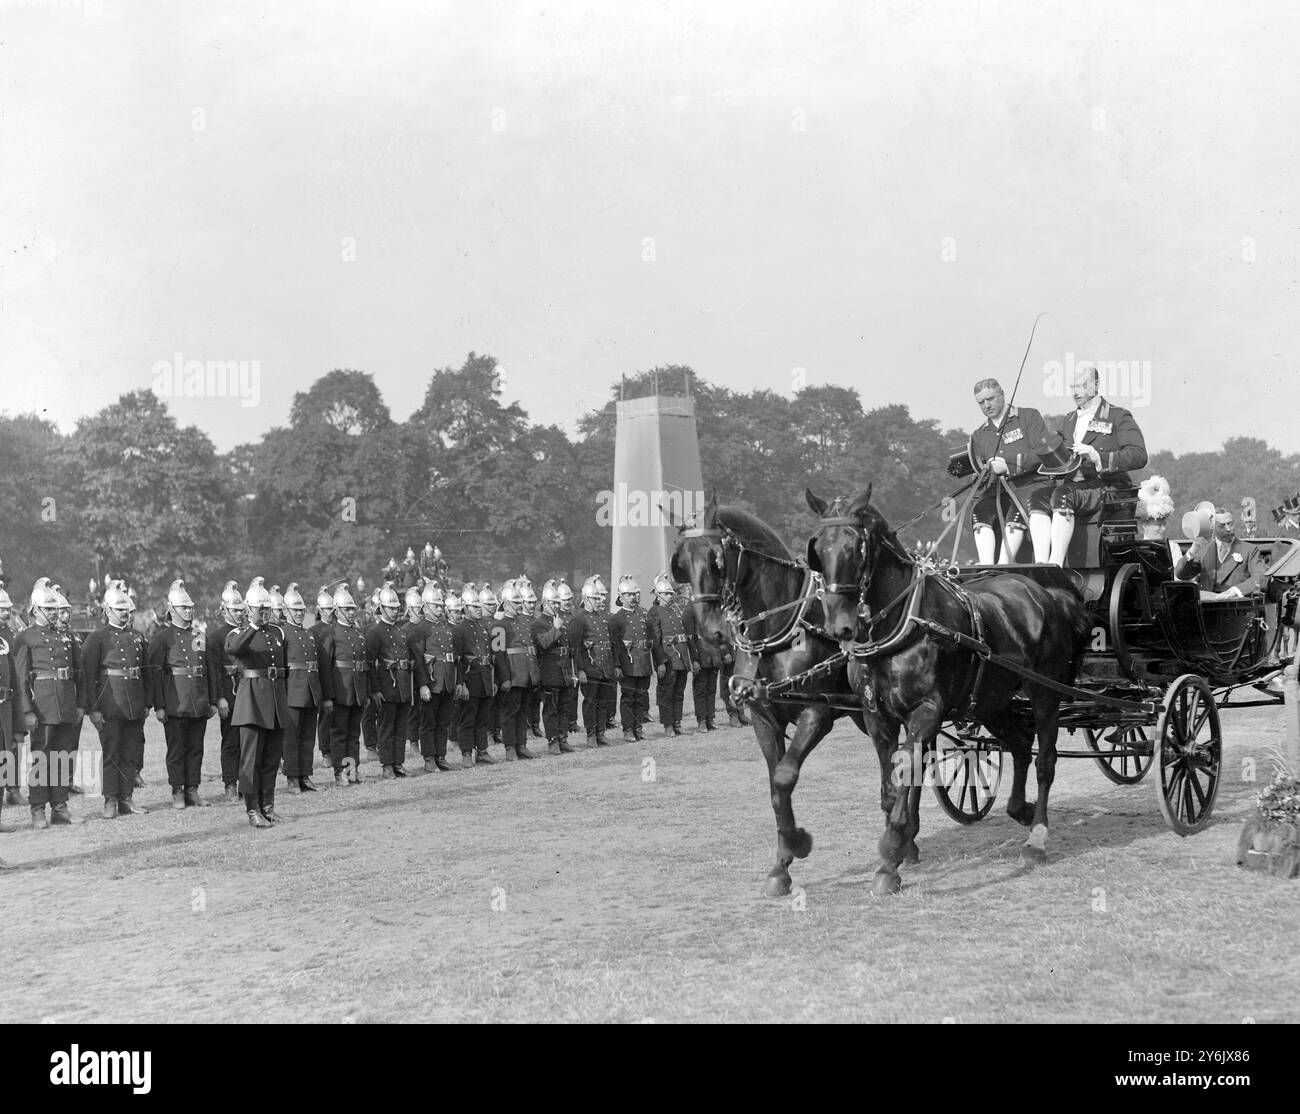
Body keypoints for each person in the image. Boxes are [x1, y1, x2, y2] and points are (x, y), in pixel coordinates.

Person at [1042, 363, 1149, 567]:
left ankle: (1054, 564)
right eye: (1072, 387)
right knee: (1038, 498)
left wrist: (1098, 456)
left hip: (1109, 489)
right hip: (1075, 488)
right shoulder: (1068, 420)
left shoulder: (1118, 415)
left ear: (1096, 385)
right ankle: (1041, 564)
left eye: (1081, 386)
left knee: (1063, 495)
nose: (1075, 392)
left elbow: (1139, 454)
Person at [14, 579, 83, 828]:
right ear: (35, 610)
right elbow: (21, 678)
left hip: (66, 704)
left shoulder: (66, 636)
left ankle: (60, 807)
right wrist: (26, 711)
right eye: (49, 609)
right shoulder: (25, 638)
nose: (55, 613)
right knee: (41, 759)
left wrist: (79, 704)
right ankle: (37, 809)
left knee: (62, 757)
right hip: (41, 708)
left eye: (56, 609)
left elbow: (79, 672)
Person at [79, 580, 151, 818]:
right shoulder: (96, 638)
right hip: (109, 706)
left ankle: (126, 799)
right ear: (108, 610)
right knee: (111, 754)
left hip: (134, 706)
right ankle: (110, 800)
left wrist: (146, 704)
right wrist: (93, 709)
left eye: (127, 610)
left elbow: (146, 672)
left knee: (130, 753)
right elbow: (89, 676)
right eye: (120, 610)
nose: (125, 614)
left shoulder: (139, 637)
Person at [226, 577, 289, 827]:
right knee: (250, 760)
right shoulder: (238, 633)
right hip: (251, 702)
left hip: (274, 700)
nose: (264, 613)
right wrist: (252, 625)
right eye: (259, 609)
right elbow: (236, 650)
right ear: (249, 610)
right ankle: (252, 809)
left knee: (271, 758)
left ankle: (268, 806)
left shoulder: (277, 633)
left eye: (267, 609)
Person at [966, 378, 1052, 564]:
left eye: (990, 399)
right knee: (979, 511)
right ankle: (986, 566)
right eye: (981, 402)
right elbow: (975, 470)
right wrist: (980, 475)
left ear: (1002, 394)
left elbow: (1043, 452)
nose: (986, 405)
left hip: (1032, 487)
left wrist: (1008, 465)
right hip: (999, 492)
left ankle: (1005, 566)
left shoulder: (1028, 416)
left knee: (1016, 512)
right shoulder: (979, 435)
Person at [149, 580, 213, 811]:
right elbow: (156, 674)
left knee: (196, 748)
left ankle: (192, 789)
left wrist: (211, 700)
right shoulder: (162, 638)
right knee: (176, 750)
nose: (188, 611)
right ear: (172, 610)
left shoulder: (198, 636)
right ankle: (177, 790)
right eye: (184, 608)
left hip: (198, 701)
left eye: (190, 607)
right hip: (174, 703)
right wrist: (159, 705)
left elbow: (207, 670)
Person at [365, 585, 422, 778]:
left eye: (396, 607)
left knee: (401, 727)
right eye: (390, 608)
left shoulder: (402, 632)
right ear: (381, 608)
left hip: (403, 685)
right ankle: (387, 765)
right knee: (386, 727)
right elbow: (370, 664)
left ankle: (398, 763)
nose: (394, 611)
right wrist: (375, 690)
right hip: (386, 686)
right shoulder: (375, 632)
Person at [281, 583, 332, 793]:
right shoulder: (281, 634)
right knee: (291, 737)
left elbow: (323, 667)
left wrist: (326, 695)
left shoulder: (311, 634)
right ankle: (292, 777)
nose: (300, 614)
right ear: (285, 611)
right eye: (295, 610)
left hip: (312, 691)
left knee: (308, 737)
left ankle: (305, 775)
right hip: (292, 692)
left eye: (302, 610)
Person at [323, 583, 369, 786]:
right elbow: (326, 668)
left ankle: (352, 769)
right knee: (339, 734)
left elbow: (364, 665)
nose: (351, 613)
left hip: (357, 691)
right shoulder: (331, 634)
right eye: (347, 609)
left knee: (353, 734)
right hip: (340, 692)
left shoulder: (358, 633)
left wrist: (366, 692)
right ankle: (340, 772)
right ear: (337, 611)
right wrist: (329, 696)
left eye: (353, 609)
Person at [407, 582, 456, 772]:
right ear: (426, 606)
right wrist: (423, 685)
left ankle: (440, 756)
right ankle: (429, 758)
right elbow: (418, 661)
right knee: (428, 722)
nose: (440, 608)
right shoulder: (419, 630)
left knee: (443, 722)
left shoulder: (445, 628)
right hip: (432, 683)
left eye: (441, 605)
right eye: (436, 605)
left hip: (447, 682)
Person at [206, 581, 246, 803]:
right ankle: (230, 784)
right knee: (231, 743)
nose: (239, 615)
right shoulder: (215, 637)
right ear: (224, 610)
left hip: (250, 696)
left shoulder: (249, 632)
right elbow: (213, 672)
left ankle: (246, 783)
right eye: (235, 610)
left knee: (248, 743)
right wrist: (219, 697)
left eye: (242, 611)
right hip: (229, 697)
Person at [1176, 507, 1269, 601]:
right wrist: (1193, 550)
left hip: (1238, 609)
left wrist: (1236, 591)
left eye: (1230, 524)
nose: (1229, 529)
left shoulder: (1250, 550)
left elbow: (1260, 575)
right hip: (1208, 609)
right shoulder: (1203, 552)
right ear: (1212, 528)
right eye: (1222, 526)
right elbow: (1182, 575)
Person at [493, 580, 541, 760]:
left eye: (521, 602)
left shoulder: (524, 623)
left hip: (526, 674)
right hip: (512, 675)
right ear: (505, 604)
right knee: (509, 712)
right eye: (516, 603)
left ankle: (522, 745)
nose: (520, 606)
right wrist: (504, 678)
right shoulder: (499, 625)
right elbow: (498, 654)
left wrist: (534, 674)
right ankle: (510, 747)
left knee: (523, 712)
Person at [648, 573, 699, 736]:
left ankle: (677, 722)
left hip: (681, 658)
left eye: (671, 593)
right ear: (658, 595)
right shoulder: (655, 611)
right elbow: (655, 640)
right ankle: (668, 724)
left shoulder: (675, 611)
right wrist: (660, 662)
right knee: (666, 693)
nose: (669, 596)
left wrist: (689, 659)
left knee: (679, 692)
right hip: (667, 657)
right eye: (666, 593)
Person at [452, 584, 497, 767]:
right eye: (475, 607)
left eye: (480, 607)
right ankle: (466, 753)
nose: (479, 610)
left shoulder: (483, 627)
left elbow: (489, 656)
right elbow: (458, 660)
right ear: (465, 607)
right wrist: (460, 683)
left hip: (485, 677)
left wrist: (494, 680)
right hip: (470, 679)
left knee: (483, 718)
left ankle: (483, 751)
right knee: (468, 718)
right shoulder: (458, 630)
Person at [569, 576, 617, 747]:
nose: (599, 601)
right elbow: (575, 649)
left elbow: (611, 644)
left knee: (604, 702)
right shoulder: (579, 620)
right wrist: (580, 670)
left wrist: (615, 666)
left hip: (605, 668)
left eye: (600, 598)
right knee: (590, 702)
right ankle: (591, 734)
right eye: (596, 598)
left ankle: (601, 733)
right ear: (587, 599)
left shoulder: (604, 619)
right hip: (590, 669)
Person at [533, 578, 579, 755]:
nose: (557, 605)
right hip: (549, 672)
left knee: (564, 707)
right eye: (554, 602)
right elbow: (543, 644)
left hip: (564, 671)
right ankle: (552, 741)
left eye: (558, 602)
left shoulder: (560, 621)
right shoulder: (538, 623)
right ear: (545, 603)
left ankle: (563, 738)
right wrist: (556, 629)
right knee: (551, 709)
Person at [609, 576, 652, 742]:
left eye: (635, 594)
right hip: (627, 664)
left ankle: (638, 727)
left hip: (643, 662)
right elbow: (615, 646)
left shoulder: (643, 614)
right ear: (621, 597)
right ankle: (628, 729)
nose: (633, 597)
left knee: (641, 696)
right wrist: (617, 665)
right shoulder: (616, 619)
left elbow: (650, 638)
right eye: (629, 595)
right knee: (628, 697)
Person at [0, 586, 27, 810]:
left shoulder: (10, 634)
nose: (6, 613)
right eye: (1, 609)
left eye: (7, 609)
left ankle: (13, 789)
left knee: (9, 749)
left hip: (7, 703)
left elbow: (15, 677)